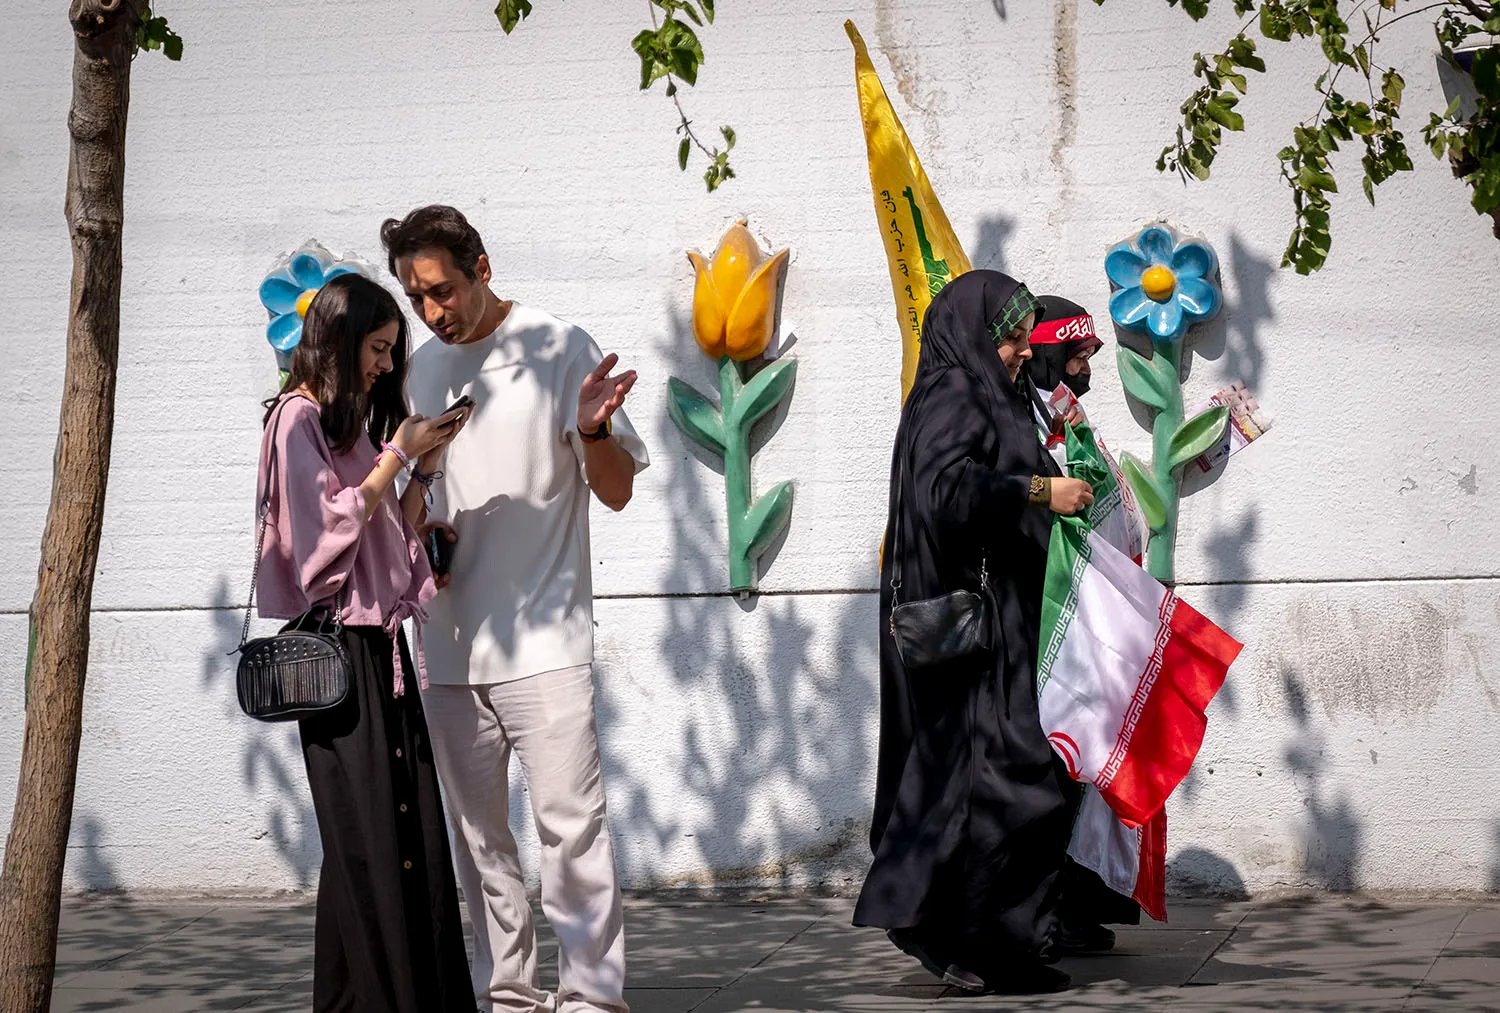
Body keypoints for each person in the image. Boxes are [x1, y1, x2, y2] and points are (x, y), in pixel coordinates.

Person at [379, 205, 648, 1013]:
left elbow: (618, 489)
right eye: (414, 296)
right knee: (482, 847)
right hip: (450, 644)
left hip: (547, 641)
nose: (431, 311)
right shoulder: (418, 372)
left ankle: (593, 999)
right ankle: (511, 997)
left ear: (483, 268)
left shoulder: (557, 348)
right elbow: (403, 516)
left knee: (572, 836)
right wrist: (422, 485)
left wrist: (593, 429)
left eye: (441, 289)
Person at [852, 270, 1094, 995]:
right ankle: (969, 934)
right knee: (1007, 778)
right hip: (973, 635)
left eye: (1024, 336)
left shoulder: (986, 392)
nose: (1023, 350)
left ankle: (970, 935)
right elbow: (944, 490)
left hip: (998, 628)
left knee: (975, 783)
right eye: (1011, 336)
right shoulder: (955, 392)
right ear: (976, 334)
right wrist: (1038, 490)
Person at [253, 272, 475, 1012]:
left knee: (391, 841)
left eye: (390, 351)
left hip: (382, 656)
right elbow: (323, 553)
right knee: (373, 846)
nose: (385, 364)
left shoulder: (347, 433)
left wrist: (426, 463)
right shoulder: (296, 421)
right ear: (341, 343)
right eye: (378, 348)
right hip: (339, 662)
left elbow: (389, 539)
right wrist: (393, 456)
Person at [1023, 295, 1142, 953]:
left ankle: (1076, 898)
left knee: (1085, 769)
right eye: (1073, 354)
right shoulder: (1021, 419)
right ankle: (1043, 912)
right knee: (1053, 771)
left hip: (1093, 611)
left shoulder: (1065, 412)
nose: (1084, 368)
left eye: (1090, 355)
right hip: (1050, 618)